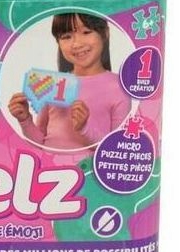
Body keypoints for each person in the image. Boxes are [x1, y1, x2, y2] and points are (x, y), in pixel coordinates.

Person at [8, 13, 130, 150]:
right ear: (58, 42)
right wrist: (25, 120)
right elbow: (39, 143)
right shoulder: (55, 83)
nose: (76, 44)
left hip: (86, 164)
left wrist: (84, 128)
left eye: (86, 32)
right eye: (66, 36)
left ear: (105, 33)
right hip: (46, 163)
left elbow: (116, 149)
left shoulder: (119, 87)